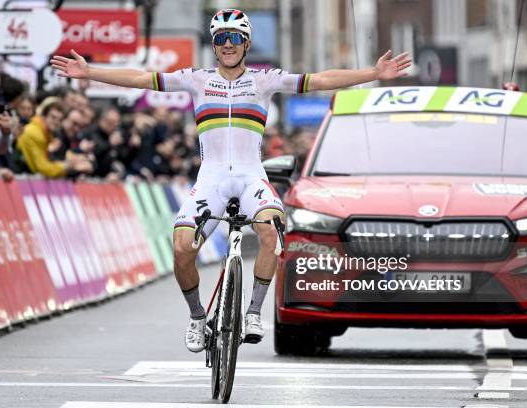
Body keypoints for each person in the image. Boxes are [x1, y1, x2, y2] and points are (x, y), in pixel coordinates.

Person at [51, 8, 411, 353]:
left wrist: (372, 73)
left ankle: (253, 314)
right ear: (214, 42)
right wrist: (90, 72)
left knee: (272, 231)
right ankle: (197, 317)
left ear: (246, 44)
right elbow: (142, 78)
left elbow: (319, 80)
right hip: (210, 181)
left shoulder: (264, 80)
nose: (227, 44)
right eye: (221, 37)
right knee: (181, 248)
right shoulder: (196, 78)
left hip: (251, 176)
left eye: (235, 38)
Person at [15, 97, 93, 178]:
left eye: (59, 119)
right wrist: (68, 166)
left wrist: (76, 159)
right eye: (53, 117)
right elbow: (41, 168)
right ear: (44, 116)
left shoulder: (47, 133)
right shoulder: (35, 133)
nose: (56, 122)